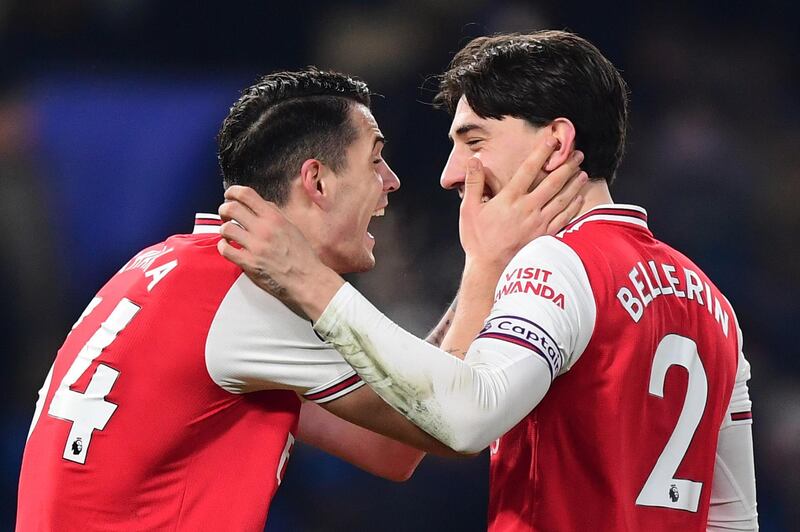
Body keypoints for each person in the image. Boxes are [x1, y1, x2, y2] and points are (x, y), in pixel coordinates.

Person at [218, 32, 758, 531]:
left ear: (555, 143)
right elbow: (734, 520)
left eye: (473, 140)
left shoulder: (556, 264)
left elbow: (465, 420)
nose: (451, 173)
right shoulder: (712, 302)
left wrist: (312, 283)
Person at [17, 67, 585, 531]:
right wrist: (488, 261)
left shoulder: (174, 266)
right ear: (316, 181)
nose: (392, 182)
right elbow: (451, 425)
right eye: (374, 160)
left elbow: (393, 447)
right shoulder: (243, 300)